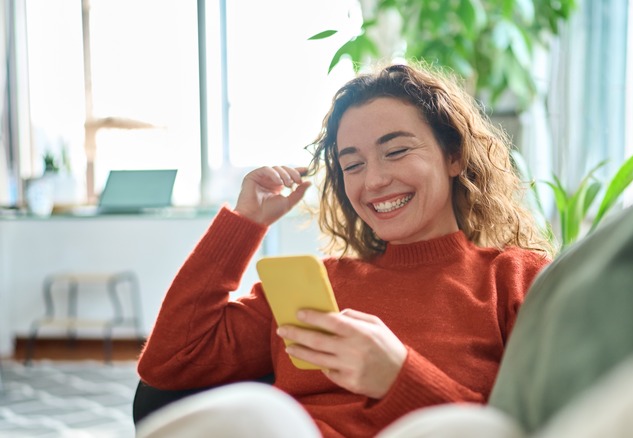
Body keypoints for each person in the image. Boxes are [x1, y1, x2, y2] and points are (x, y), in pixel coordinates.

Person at [136, 63, 552, 438]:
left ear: (454, 156)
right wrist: (245, 223)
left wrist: (399, 377)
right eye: (352, 165)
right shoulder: (319, 287)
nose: (373, 181)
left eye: (396, 151)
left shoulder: (516, 279)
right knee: (256, 413)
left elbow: (540, 424)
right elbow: (170, 362)